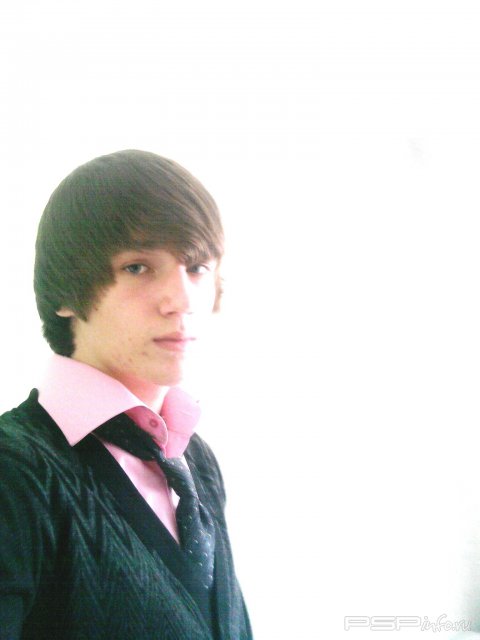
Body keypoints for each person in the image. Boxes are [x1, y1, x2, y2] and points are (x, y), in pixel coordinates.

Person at [0, 150, 253, 639]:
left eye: (197, 267)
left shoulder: (195, 460)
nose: (181, 300)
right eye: (138, 267)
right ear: (65, 294)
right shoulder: (15, 471)